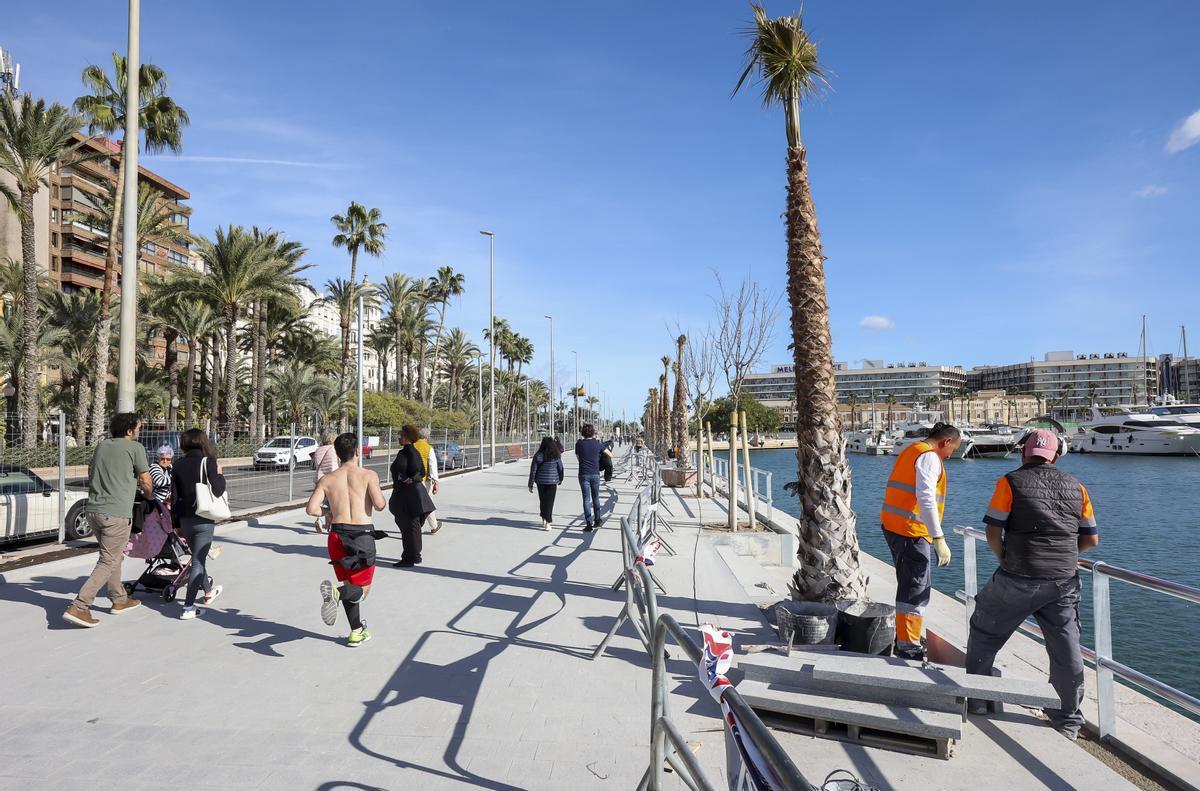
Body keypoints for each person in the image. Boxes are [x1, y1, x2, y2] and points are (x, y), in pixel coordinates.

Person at [966, 429, 1099, 739]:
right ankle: (1067, 720)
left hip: (1017, 576)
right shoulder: (1077, 487)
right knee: (1066, 648)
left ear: (1023, 452)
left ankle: (980, 701)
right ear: (1057, 454)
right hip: (1063, 581)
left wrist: (1004, 559)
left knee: (984, 632)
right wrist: (1066, 557)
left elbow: (992, 533)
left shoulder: (1010, 482)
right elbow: (1091, 539)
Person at [63, 412, 154, 628]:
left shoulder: (102, 446)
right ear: (130, 430)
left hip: (93, 510)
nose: (140, 432)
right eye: (139, 428)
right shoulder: (135, 448)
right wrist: (149, 495)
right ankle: (80, 606)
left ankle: (119, 599)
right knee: (108, 560)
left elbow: (91, 470)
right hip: (116, 513)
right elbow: (145, 478)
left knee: (113, 557)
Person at [879, 422, 961, 660]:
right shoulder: (930, 457)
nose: (951, 454)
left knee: (908, 584)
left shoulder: (913, 449)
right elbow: (926, 498)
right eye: (953, 449)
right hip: (911, 532)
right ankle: (908, 645)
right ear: (945, 442)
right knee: (916, 589)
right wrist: (938, 537)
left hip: (894, 526)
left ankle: (904, 638)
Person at [308, 432, 387, 647]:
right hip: (362, 536)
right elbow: (380, 505)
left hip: (337, 536)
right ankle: (336, 593)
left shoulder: (327, 480)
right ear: (357, 452)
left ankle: (356, 631)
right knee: (361, 591)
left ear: (338, 454)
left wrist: (328, 514)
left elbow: (311, 509)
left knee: (349, 584)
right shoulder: (368, 475)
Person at [171, 429, 227, 620]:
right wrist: (219, 474)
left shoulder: (177, 465)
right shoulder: (208, 462)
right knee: (197, 560)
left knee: (198, 558)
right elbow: (218, 490)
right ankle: (188, 607)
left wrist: (175, 522)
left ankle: (209, 591)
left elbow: (174, 497)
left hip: (185, 520)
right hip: (203, 518)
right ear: (204, 442)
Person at [389, 425, 434, 567]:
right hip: (409, 495)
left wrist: (408, 478)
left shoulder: (408, 452)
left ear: (407, 437)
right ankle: (414, 555)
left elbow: (418, 471)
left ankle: (410, 557)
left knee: (408, 526)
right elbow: (421, 471)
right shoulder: (412, 452)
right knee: (412, 526)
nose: (399, 437)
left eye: (401, 435)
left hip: (406, 496)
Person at [574, 423, 612, 532]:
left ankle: (588, 524)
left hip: (583, 474)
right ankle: (598, 520)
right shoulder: (597, 444)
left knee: (586, 499)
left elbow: (578, 458)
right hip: (595, 474)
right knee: (595, 497)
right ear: (593, 432)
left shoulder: (579, 444)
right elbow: (610, 455)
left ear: (582, 433)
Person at [528, 436, 565, 530]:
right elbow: (560, 468)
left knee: (543, 501)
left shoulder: (538, 455)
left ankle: (544, 518)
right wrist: (561, 478)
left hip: (540, 481)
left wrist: (530, 483)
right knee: (550, 502)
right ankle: (548, 522)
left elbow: (533, 470)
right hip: (552, 481)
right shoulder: (556, 455)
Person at [412, 429, 441, 534]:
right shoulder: (428, 448)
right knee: (428, 503)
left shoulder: (412, 445)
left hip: (411, 479)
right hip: (423, 480)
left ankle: (415, 526)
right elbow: (433, 466)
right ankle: (434, 526)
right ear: (427, 437)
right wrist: (436, 482)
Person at [311, 430, 340, 532]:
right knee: (332, 503)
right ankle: (325, 522)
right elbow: (333, 466)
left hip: (319, 479)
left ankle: (322, 521)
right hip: (330, 480)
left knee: (324, 502)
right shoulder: (332, 450)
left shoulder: (318, 450)